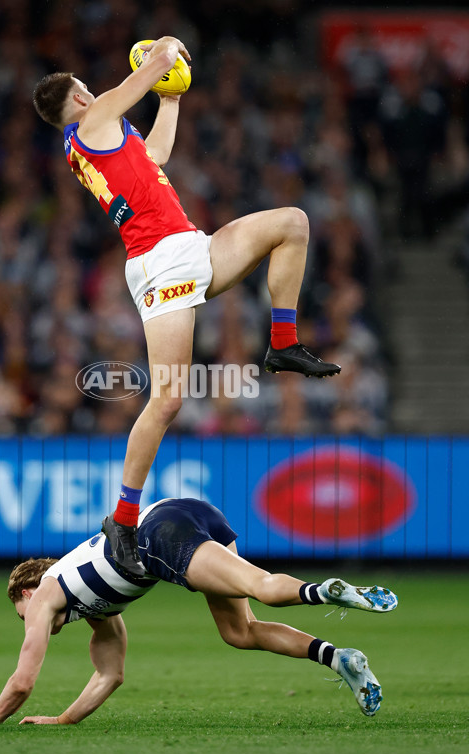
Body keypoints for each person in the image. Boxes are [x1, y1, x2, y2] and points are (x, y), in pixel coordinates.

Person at [32, 37, 341, 577]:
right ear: (80, 98)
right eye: (86, 88)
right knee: (170, 401)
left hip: (190, 245)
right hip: (161, 263)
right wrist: (167, 47)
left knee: (292, 222)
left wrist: (171, 102)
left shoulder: (101, 136)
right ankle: (123, 520)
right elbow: (146, 69)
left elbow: (155, 157)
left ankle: (284, 344)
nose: (94, 92)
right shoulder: (91, 120)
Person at [0, 498, 397, 726]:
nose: (36, 625)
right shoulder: (97, 609)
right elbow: (110, 675)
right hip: (191, 513)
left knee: (261, 587)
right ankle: (340, 659)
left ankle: (324, 590)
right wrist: (63, 719)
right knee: (239, 630)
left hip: (159, 532)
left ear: (24, 589)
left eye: (20, 614)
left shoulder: (44, 592)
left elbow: (23, 681)